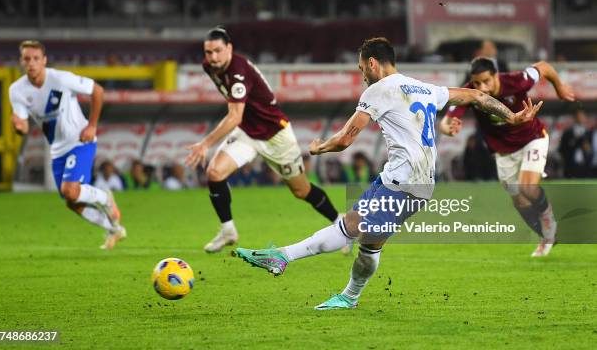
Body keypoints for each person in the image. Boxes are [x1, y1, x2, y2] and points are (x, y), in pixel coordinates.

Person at [233, 37, 541, 310]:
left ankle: (284, 258)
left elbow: (344, 139)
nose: (362, 75)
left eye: (361, 69)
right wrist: (512, 116)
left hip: (405, 182)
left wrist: (318, 148)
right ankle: (344, 293)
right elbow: (476, 97)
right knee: (362, 235)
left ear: (372, 63)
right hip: (406, 180)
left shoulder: (380, 89)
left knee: (352, 232)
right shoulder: (424, 87)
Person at [185, 27, 344, 253]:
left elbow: (234, 115)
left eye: (218, 51)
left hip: (275, 135)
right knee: (214, 173)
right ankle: (228, 230)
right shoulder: (209, 67)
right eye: (209, 52)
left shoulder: (238, 71)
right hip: (247, 133)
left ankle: (339, 222)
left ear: (229, 48)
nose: (213, 57)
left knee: (301, 191)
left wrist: (205, 144)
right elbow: (239, 116)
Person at [439, 57, 575, 257]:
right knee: (519, 201)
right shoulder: (470, 92)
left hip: (532, 139)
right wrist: (448, 129)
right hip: (503, 152)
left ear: (496, 76)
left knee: (528, 188)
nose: (481, 87)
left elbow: (544, 67)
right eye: (477, 83)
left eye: (486, 81)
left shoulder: (516, 80)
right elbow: (446, 120)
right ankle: (547, 237)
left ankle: (548, 218)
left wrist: (559, 87)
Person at [9, 40, 126, 249]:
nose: (32, 63)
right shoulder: (16, 90)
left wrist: (92, 126)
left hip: (80, 141)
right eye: (27, 59)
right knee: (71, 202)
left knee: (71, 190)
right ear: (21, 61)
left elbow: (97, 91)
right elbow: (24, 127)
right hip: (57, 150)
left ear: (44, 60)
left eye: (36, 58)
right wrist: (18, 127)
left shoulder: (60, 79)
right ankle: (114, 229)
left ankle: (104, 196)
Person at [559, 107, 593, 178]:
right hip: (570, 166)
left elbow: (591, 149)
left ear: (585, 117)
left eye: (582, 116)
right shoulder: (567, 133)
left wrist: (588, 149)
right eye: (578, 116)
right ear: (574, 117)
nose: (580, 118)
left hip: (586, 166)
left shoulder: (590, 133)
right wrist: (574, 143)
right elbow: (562, 149)